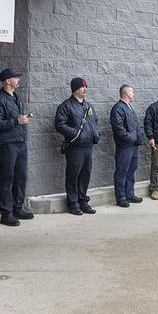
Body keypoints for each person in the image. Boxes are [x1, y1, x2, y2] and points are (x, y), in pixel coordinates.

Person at [0, 68, 32, 227]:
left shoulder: (15, 97)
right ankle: (6, 213)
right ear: (8, 80)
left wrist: (21, 121)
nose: (19, 79)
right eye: (16, 77)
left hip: (20, 142)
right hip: (8, 145)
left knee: (20, 176)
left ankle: (17, 208)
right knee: (6, 178)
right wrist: (16, 121)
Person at [55, 77, 101, 215]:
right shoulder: (66, 106)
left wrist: (96, 134)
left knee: (85, 175)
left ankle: (83, 201)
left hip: (88, 147)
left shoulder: (89, 106)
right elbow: (60, 125)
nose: (85, 89)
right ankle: (73, 203)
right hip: (75, 147)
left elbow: (95, 122)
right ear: (75, 89)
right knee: (73, 175)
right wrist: (76, 134)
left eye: (86, 87)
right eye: (82, 87)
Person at [110, 85, 145, 207]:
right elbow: (119, 129)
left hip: (133, 146)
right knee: (122, 171)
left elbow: (135, 126)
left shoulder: (129, 107)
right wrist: (132, 138)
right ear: (126, 93)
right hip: (124, 146)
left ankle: (129, 194)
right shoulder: (118, 108)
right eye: (132, 91)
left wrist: (138, 138)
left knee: (131, 170)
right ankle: (121, 198)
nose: (134, 93)